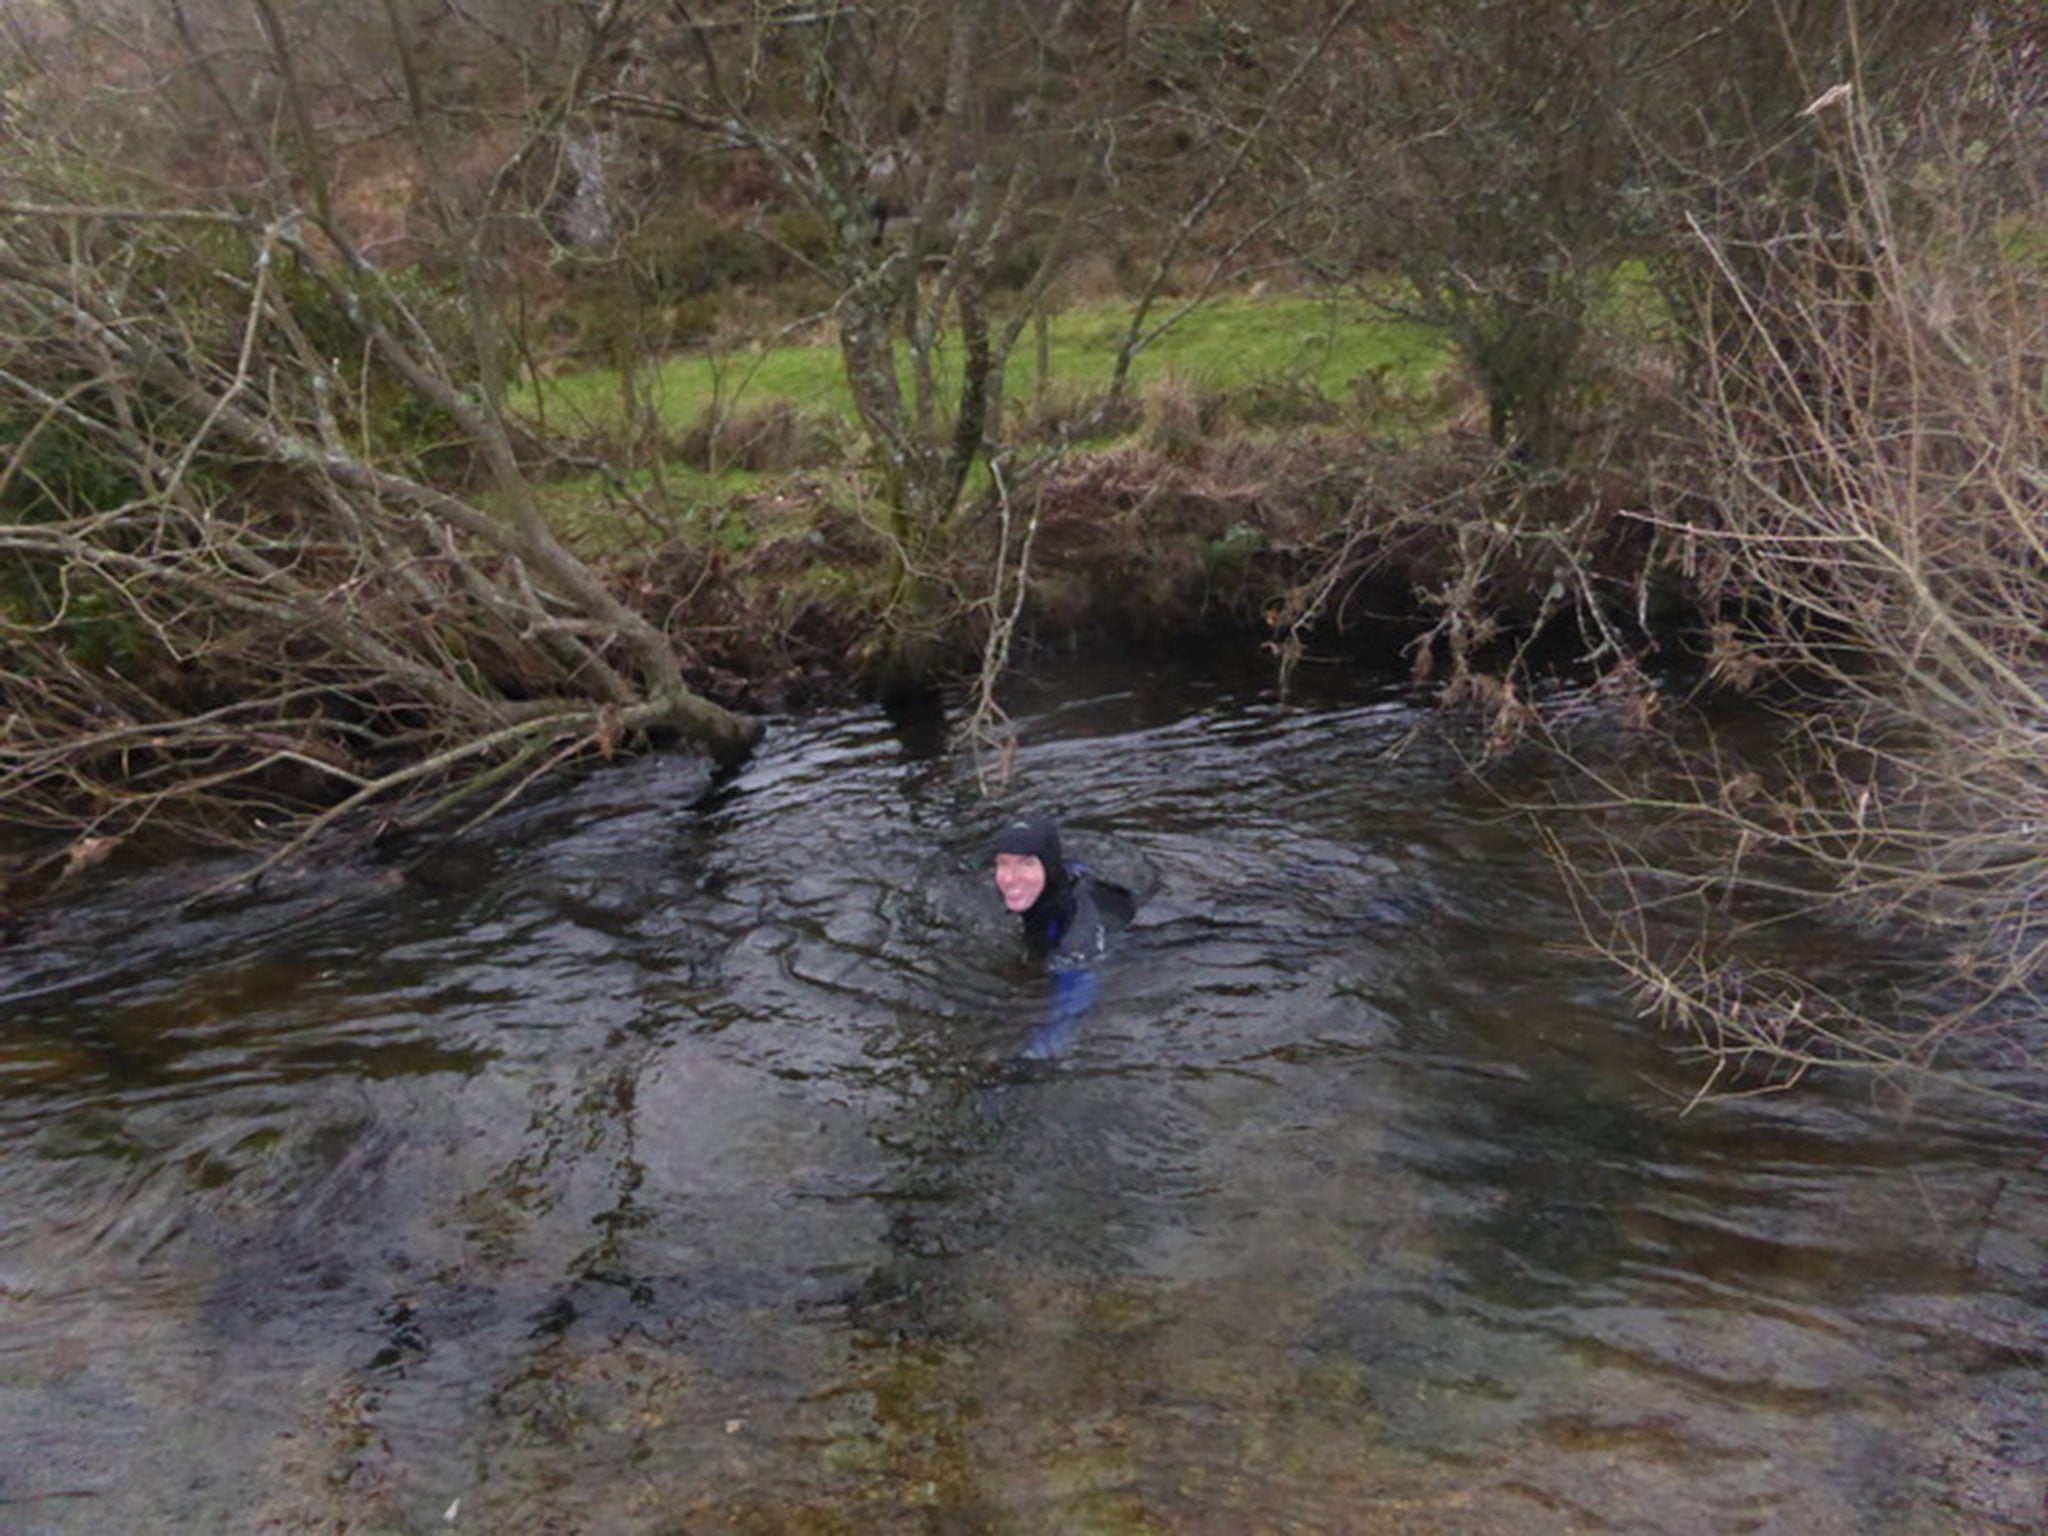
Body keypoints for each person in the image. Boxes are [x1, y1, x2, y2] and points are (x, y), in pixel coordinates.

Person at [990, 815, 1133, 1059]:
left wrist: (1028, 1060)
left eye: (1026, 863)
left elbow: (1072, 1007)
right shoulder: (1056, 883)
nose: (1010, 878)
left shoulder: (1075, 938)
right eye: (1003, 863)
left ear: (1049, 866)